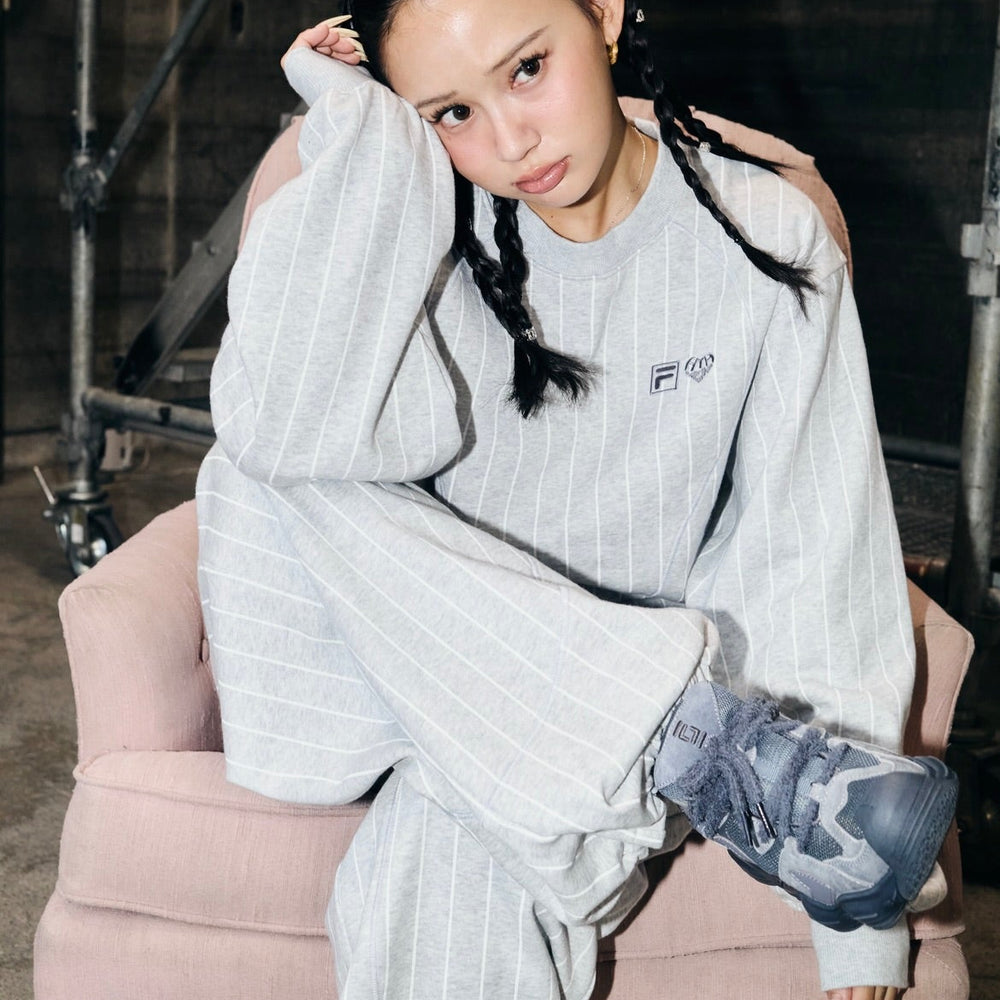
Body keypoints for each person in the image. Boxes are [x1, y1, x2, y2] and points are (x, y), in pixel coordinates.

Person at [195, 1, 956, 997]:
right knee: (266, 468)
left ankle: (675, 737)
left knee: (445, 854)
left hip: (524, 730)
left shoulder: (761, 233)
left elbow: (815, 541)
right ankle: (677, 732)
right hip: (404, 670)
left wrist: (856, 921)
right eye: (451, 113)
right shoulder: (419, 222)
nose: (510, 141)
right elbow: (285, 425)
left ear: (603, 12)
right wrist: (355, 124)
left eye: (526, 70)